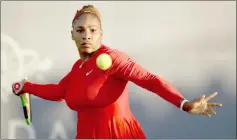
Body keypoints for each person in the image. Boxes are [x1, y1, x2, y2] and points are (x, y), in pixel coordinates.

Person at [12, 5, 222, 139]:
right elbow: (59, 91)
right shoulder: (77, 69)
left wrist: (184, 103)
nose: (87, 36)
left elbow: (150, 80)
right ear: (72, 35)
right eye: (80, 31)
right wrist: (26, 86)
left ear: (101, 34)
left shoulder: (114, 59)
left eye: (93, 31)